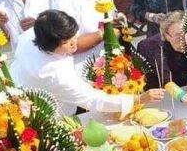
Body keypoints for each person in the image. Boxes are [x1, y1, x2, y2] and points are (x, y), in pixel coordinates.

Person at [10, 10, 164, 117]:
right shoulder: (52, 74)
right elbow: (93, 100)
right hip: (48, 114)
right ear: (50, 44)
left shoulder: (32, 33)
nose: (74, 44)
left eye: (73, 36)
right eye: (67, 42)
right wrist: (138, 99)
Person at [136, 11, 187, 91]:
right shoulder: (154, 47)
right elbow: (165, 79)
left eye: (186, 34)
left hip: (181, 85)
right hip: (159, 90)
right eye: (178, 36)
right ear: (166, 35)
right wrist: (186, 98)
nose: (183, 40)